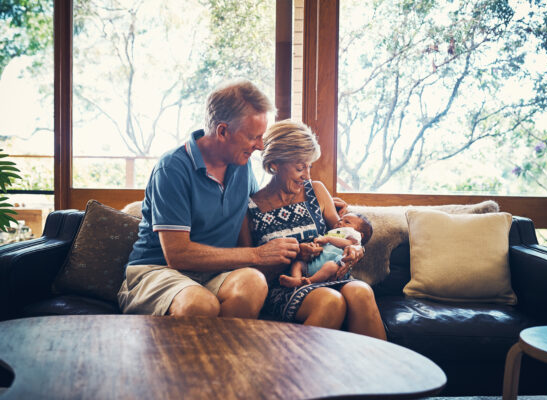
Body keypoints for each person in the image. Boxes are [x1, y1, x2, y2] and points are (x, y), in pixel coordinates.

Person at [117, 79, 301, 318]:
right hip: (157, 270)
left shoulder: (241, 165)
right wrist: (257, 255)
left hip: (215, 273)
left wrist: (314, 199)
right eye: (253, 136)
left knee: (253, 282)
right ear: (223, 131)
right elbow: (177, 254)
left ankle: (223, 356)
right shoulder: (172, 168)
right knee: (200, 304)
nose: (260, 145)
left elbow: (260, 207)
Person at [240, 119, 387, 340]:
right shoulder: (250, 208)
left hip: (332, 274)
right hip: (286, 286)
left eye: (309, 167)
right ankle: (291, 374)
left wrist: (356, 250)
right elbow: (249, 270)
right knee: (330, 301)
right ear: (275, 163)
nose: (307, 176)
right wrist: (293, 255)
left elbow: (343, 233)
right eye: (300, 167)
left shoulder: (316, 191)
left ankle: (380, 374)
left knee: (360, 291)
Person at [279, 212, 373, 288]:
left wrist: (328, 239)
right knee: (298, 264)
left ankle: (309, 282)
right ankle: (297, 280)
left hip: (334, 269)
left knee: (330, 266)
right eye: (340, 220)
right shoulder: (332, 233)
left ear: (360, 234)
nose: (340, 222)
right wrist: (314, 246)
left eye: (347, 222)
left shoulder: (353, 237)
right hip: (313, 264)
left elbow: (349, 244)